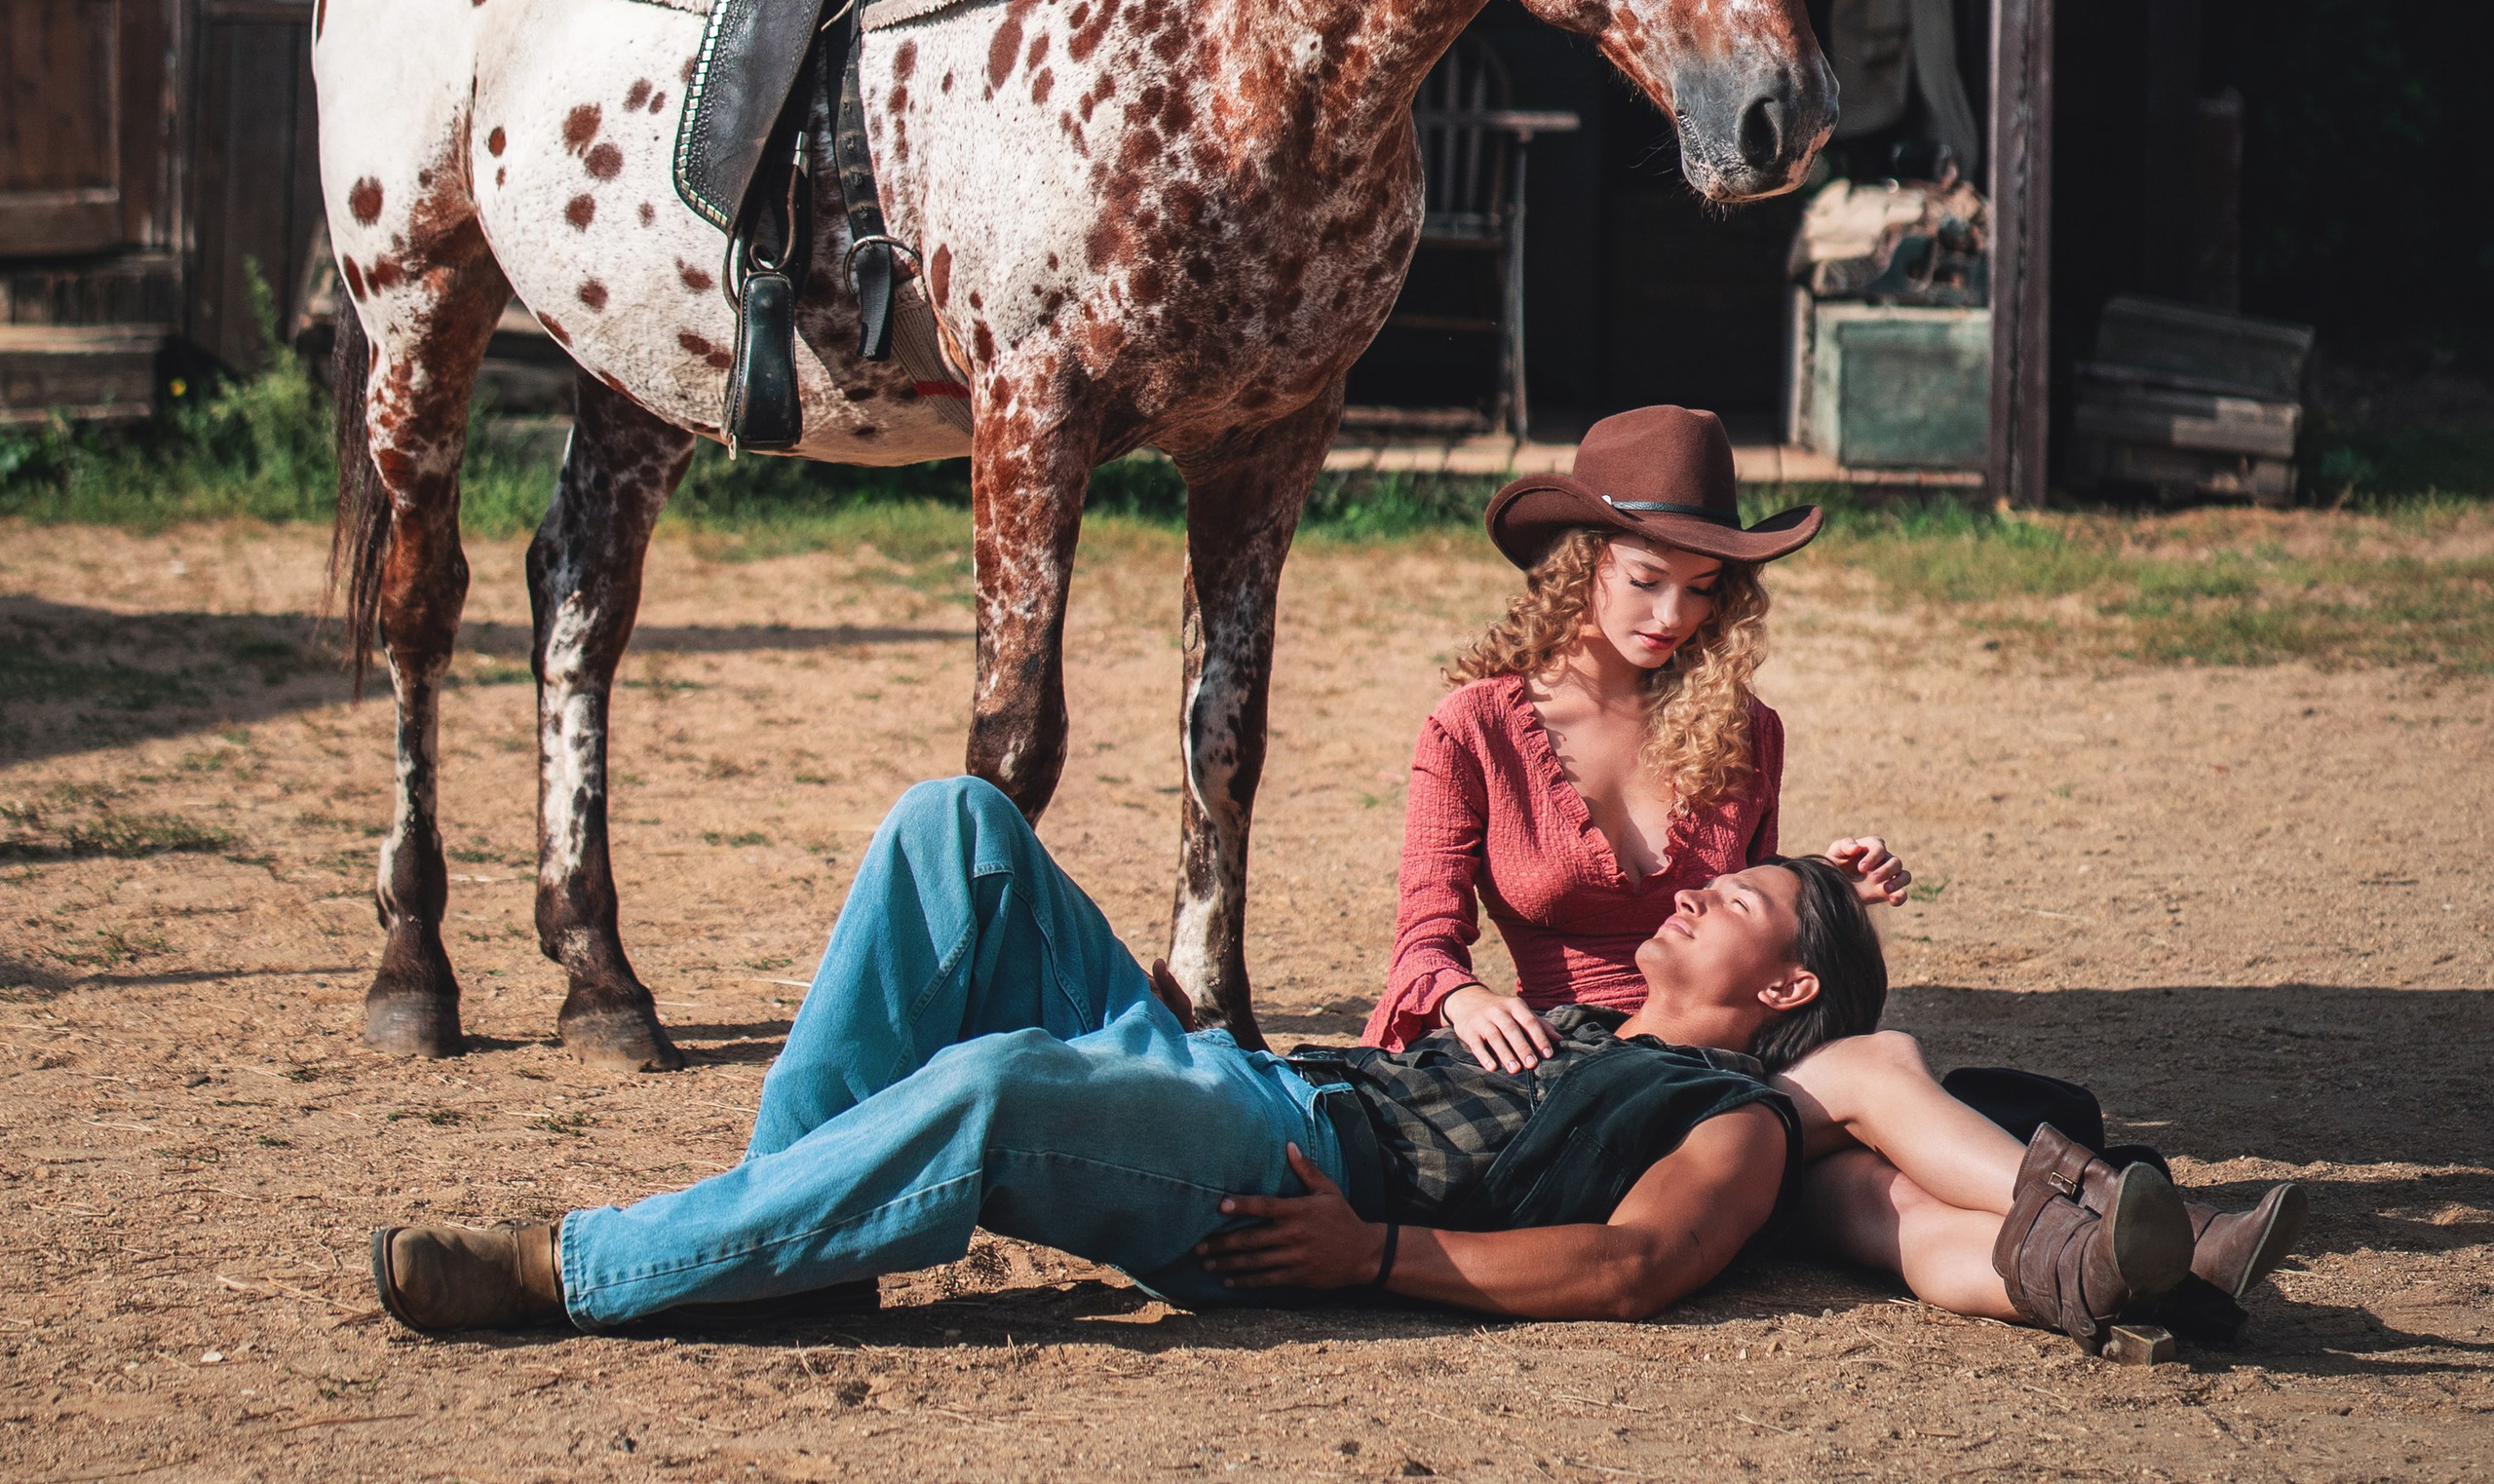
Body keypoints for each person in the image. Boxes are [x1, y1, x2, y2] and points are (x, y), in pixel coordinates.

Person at [370, 775, 2300, 1351]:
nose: (1704, 886)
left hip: (1270, 1181)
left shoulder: (1724, 1117)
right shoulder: (1567, 1020)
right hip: (1241, 1069)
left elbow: (1627, 1268)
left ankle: (597, 1263)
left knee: (986, 1092)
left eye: (1748, 898)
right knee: (950, 824)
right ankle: (782, 1240)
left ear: (1786, 991)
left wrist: (1376, 1260)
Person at [1367, 407, 1907, 1063]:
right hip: (1555, 1058)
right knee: (1876, 1082)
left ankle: (2056, 1169)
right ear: (1578, 564)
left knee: (1881, 1070)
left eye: (1701, 587)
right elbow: (1424, 942)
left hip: (1712, 1052)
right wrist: (1464, 996)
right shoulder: (1472, 728)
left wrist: (1826, 889)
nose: (1672, 615)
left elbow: (1749, 925)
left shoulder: (1745, 729)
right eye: (1645, 580)